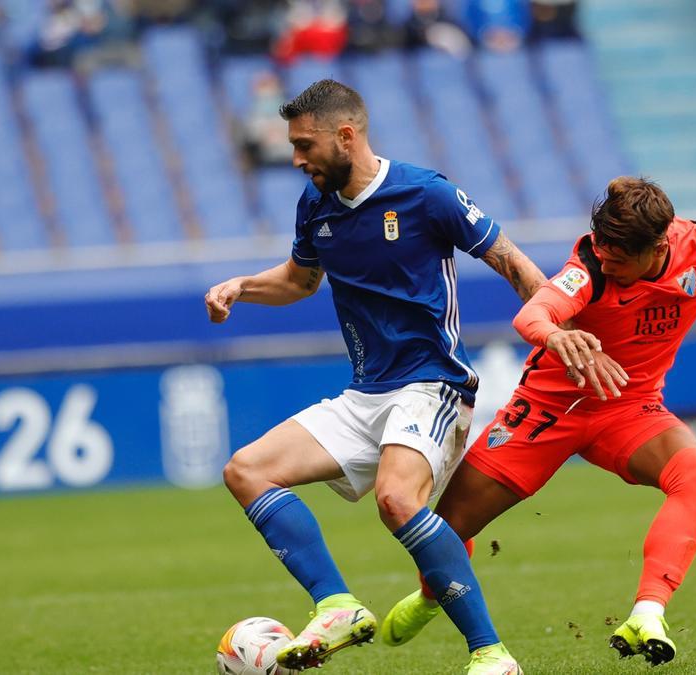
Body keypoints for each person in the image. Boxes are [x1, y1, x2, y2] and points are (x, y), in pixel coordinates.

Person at [380, 106, 696, 666]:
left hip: (631, 411)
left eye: (618, 257)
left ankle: (649, 611)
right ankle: (432, 596)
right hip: (547, 413)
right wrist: (555, 336)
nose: (605, 260)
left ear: (659, 248)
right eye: (600, 249)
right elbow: (536, 313)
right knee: (444, 532)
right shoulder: (591, 266)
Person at [206, 79, 549, 674]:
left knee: (395, 498)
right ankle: (337, 605)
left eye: (304, 145)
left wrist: (554, 328)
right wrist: (242, 286)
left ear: (347, 135)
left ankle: (492, 655)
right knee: (247, 470)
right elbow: (299, 280)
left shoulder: (426, 194)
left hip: (434, 384)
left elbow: (513, 262)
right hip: (368, 393)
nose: (295, 159)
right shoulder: (315, 203)